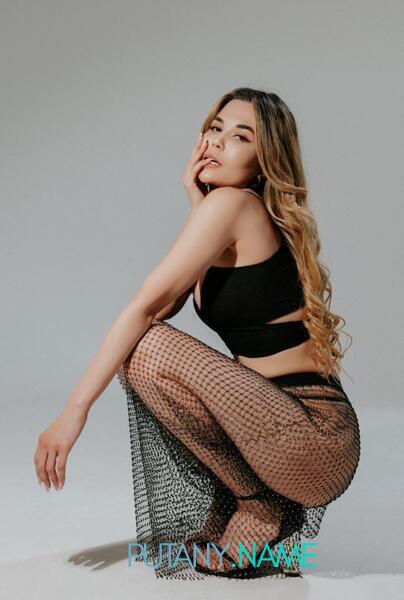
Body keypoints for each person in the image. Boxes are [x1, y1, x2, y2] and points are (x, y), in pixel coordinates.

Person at [33, 87, 361, 581]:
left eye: (240, 137)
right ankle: (258, 501)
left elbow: (145, 309)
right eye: (215, 128)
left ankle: (261, 506)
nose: (218, 142)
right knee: (141, 349)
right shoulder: (225, 212)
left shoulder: (234, 205)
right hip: (279, 434)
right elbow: (164, 306)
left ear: (264, 161)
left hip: (312, 436)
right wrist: (194, 203)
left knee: (146, 346)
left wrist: (74, 411)